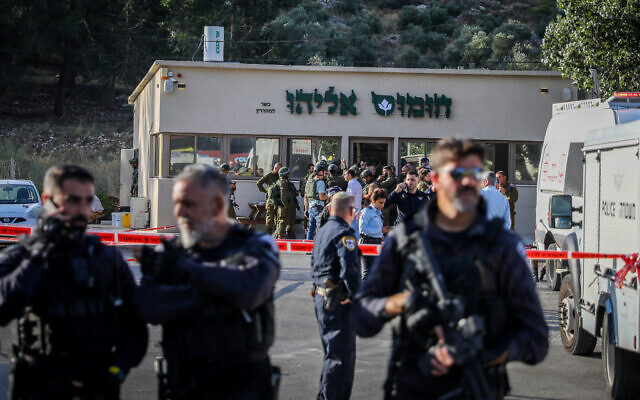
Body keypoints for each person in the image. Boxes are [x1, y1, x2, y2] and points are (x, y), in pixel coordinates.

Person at [353, 138, 548, 400]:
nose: (467, 182)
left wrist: (487, 351)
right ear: (435, 179)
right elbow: (362, 317)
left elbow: (536, 339)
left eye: (473, 174)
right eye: (457, 174)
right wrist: (401, 303)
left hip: (478, 386)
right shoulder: (407, 240)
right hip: (414, 385)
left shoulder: (502, 246)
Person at [0, 165, 148, 399]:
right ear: (48, 201)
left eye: (87, 201)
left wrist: (114, 373)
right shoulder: (23, 255)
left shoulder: (107, 259)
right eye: (73, 201)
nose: (82, 210)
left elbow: (137, 328)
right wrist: (39, 252)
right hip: (40, 384)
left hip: (97, 383)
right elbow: (4, 307)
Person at [134, 164, 280, 399]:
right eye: (177, 203)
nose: (179, 212)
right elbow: (148, 306)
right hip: (185, 383)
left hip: (241, 387)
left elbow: (250, 289)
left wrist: (183, 272)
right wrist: (219, 291)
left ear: (218, 205)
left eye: (188, 203)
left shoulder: (256, 246)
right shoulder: (171, 251)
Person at [311, 192, 361, 400]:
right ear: (351, 212)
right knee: (341, 361)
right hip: (338, 302)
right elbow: (350, 271)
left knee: (331, 355)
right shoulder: (344, 234)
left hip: (322, 298)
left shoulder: (322, 231)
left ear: (330, 208)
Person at [358, 188, 390, 281]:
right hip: (367, 243)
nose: (382, 205)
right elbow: (362, 229)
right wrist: (380, 231)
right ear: (373, 201)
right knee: (367, 273)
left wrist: (380, 234)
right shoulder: (367, 212)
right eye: (380, 202)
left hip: (376, 242)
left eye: (384, 202)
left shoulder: (378, 212)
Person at [257, 162, 283, 235]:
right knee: (270, 217)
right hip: (271, 199)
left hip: (279, 199)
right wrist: (265, 191)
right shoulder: (269, 176)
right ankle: (268, 233)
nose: (280, 171)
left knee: (278, 217)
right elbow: (259, 183)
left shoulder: (281, 176)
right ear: (276, 168)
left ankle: (277, 234)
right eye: (280, 169)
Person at [306, 164, 329, 240]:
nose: (325, 173)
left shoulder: (310, 181)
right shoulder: (321, 182)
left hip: (311, 208)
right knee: (320, 229)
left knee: (310, 229)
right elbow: (321, 197)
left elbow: (306, 196)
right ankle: (320, 248)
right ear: (320, 172)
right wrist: (330, 196)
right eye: (323, 171)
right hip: (318, 209)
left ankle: (307, 248)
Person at [276, 167, 298, 239]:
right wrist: (286, 205)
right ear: (285, 174)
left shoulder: (288, 183)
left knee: (290, 221)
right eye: (288, 174)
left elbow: (294, 193)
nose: (289, 175)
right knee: (283, 221)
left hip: (290, 206)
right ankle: (280, 237)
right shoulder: (283, 183)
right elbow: (283, 196)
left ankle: (288, 236)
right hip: (285, 207)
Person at [346, 168, 362, 241]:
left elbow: (351, 197)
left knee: (353, 227)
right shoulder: (356, 182)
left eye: (345, 174)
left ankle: (355, 245)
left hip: (353, 208)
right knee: (355, 227)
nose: (344, 176)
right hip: (357, 208)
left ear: (349, 175)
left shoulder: (351, 183)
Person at [300, 163, 315, 233]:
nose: (313, 170)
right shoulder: (304, 180)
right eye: (311, 169)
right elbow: (302, 192)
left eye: (313, 169)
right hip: (307, 202)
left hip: (314, 203)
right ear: (308, 170)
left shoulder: (315, 179)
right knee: (306, 220)